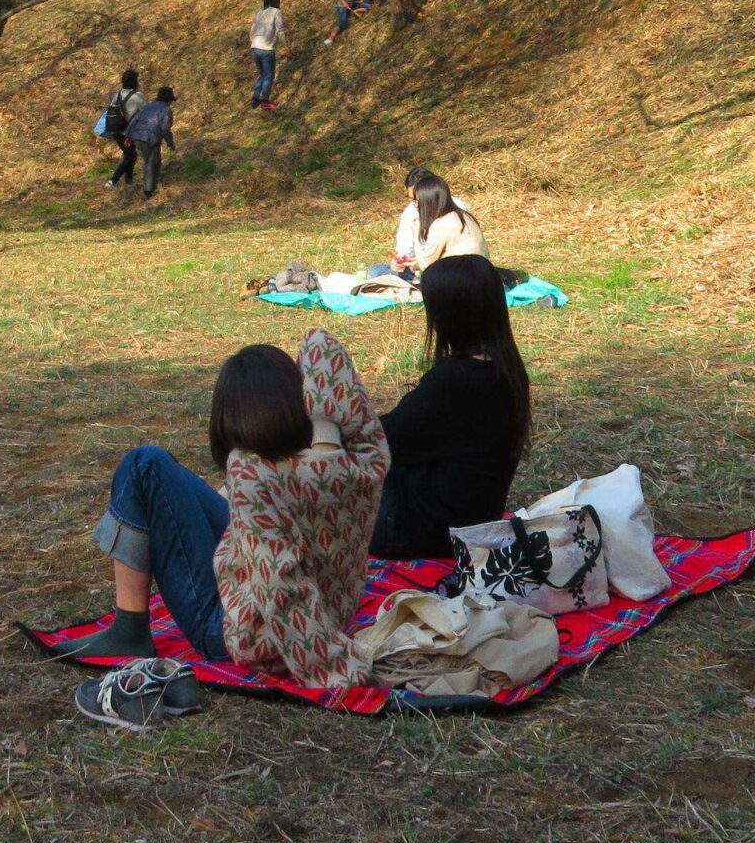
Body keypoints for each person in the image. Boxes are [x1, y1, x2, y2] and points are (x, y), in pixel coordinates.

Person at [68, 331, 390, 723]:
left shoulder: (251, 472)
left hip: (237, 636)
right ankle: (130, 624)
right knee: (174, 483)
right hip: (330, 603)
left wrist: (335, 668)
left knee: (144, 465)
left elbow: (278, 586)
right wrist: (323, 431)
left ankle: (129, 628)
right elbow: (322, 344)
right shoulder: (363, 463)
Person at [369, 256, 532, 559]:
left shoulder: (455, 381)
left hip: (426, 532)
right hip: (472, 517)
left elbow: (383, 439)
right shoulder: (505, 369)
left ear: (451, 316)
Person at [121, 86, 177, 197]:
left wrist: (127, 136)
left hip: (137, 136)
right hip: (149, 138)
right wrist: (171, 144)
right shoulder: (166, 110)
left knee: (155, 161)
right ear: (169, 100)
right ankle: (148, 191)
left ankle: (153, 185)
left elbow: (135, 120)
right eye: (171, 101)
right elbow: (165, 129)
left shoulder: (148, 106)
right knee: (150, 162)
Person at [101, 67, 145, 188]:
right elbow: (144, 112)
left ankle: (128, 180)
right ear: (135, 82)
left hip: (116, 129)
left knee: (130, 155)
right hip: (127, 131)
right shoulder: (138, 95)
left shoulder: (119, 93)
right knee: (130, 156)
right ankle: (113, 181)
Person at [248, 0, 285, 109]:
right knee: (269, 74)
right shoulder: (276, 12)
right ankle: (265, 100)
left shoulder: (260, 13)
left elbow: (252, 31)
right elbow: (280, 30)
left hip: (254, 47)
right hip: (266, 48)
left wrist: (253, 41)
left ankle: (255, 98)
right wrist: (285, 45)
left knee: (262, 74)